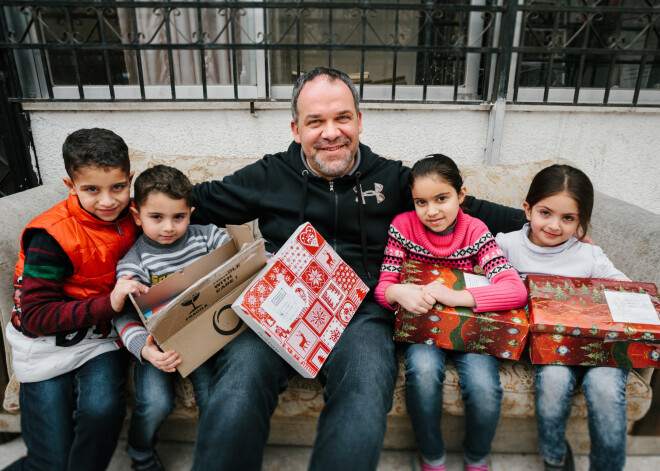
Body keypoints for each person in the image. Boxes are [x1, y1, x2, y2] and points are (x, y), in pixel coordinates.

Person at [189, 67, 525, 471]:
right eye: (316, 121)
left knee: (366, 393)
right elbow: (192, 203)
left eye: (342, 118)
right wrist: (123, 216)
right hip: (281, 307)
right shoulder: (269, 175)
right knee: (238, 386)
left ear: (359, 121)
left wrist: (546, 230)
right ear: (296, 129)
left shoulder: (393, 179)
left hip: (362, 312)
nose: (331, 132)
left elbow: (471, 210)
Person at [4, 128, 148, 471]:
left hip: (100, 339)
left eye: (117, 187)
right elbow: (35, 317)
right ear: (71, 187)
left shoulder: (135, 215)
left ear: (130, 179)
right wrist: (109, 304)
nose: (107, 201)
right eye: (91, 190)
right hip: (44, 345)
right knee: (49, 461)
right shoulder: (50, 237)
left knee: (102, 412)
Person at [374, 154, 528, 471]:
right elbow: (384, 285)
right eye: (421, 202)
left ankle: (476, 458)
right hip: (423, 329)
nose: (432, 211)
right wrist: (396, 291)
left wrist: (456, 296)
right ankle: (432, 457)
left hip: (471, 328)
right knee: (423, 374)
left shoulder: (474, 231)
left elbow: (515, 289)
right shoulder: (402, 227)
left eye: (442, 198)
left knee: (484, 387)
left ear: (461, 195)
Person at [495, 164, 630, 471]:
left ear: (580, 221)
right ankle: (555, 460)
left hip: (600, 349)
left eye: (567, 218)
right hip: (550, 350)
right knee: (554, 381)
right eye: (546, 213)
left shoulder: (589, 255)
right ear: (528, 209)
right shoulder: (506, 246)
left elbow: (627, 291)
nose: (554, 225)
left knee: (605, 389)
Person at [113, 164, 231, 471]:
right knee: (154, 403)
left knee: (212, 397)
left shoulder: (207, 237)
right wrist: (146, 351)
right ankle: (140, 453)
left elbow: (238, 259)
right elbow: (124, 317)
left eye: (178, 217)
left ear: (190, 213)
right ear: (137, 216)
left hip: (202, 339)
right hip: (158, 346)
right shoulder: (135, 261)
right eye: (156, 217)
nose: (168, 227)